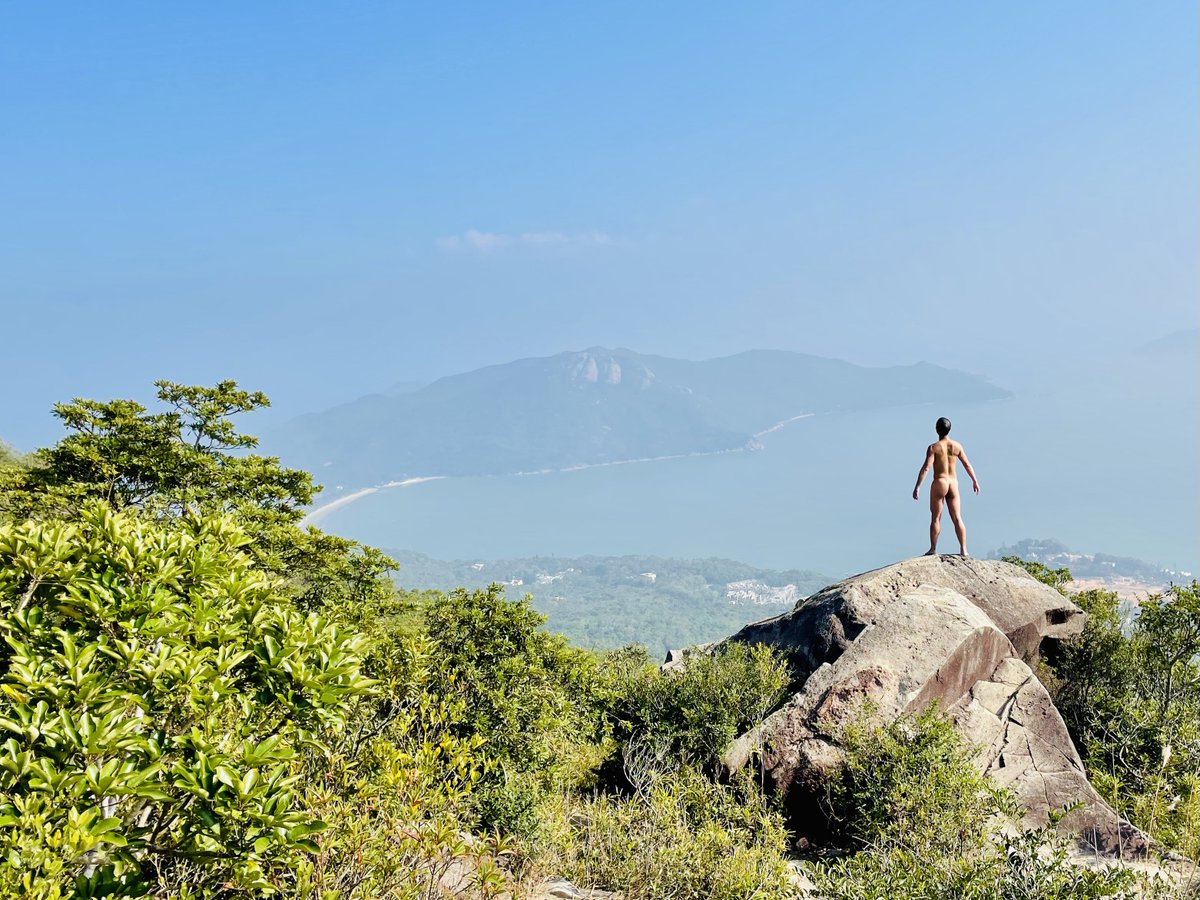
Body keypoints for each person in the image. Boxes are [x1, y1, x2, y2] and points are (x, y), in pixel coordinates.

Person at [912, 417, 979, 556]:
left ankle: (933, 548)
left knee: (936, 518)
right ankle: (963, 549)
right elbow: (967, 464)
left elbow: (926, 468)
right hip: (953, 483)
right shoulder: (957, 446)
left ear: (937, 429)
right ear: (949, 429)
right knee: (957, 517)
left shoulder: (934, 447)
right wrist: (974, 480)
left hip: (940, 482)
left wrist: (918, 486)